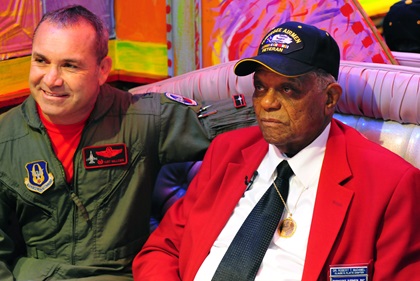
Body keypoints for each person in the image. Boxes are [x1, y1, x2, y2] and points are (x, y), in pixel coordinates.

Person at [132, 21, 420, 280]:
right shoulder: (228, 151)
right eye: (260, 87)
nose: (267, 103)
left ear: (330, 98)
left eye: (288, 90)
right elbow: (162, 248)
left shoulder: (389, 184)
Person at [0, 5, 256, 280]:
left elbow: (240, 119)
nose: (51, 79)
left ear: (102, 70)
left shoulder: (140, 118)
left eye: (69, 65)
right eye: (41, 61)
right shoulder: (4, 137)